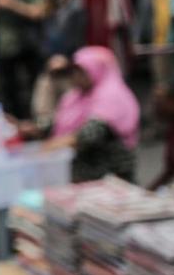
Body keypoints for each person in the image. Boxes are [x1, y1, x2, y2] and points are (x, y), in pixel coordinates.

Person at [46, 46, 140, 183]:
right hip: (83, 175)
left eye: (82, 72)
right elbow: (58, 122)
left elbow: (90, 134)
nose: (76, 77)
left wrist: (54, 145)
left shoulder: (112, 95)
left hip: (111, 177)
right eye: (74, 72)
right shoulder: (75, 97)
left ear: (98, 70)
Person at [31, 0, 86, 127]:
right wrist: (50, 58)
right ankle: (47, 128)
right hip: (51, 66)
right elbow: (41, 41)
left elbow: (81, 40)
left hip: (73, 67)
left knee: (72, 101)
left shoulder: (79, 10)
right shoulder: (49, 13)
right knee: (42, 103)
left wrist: (66, 59)